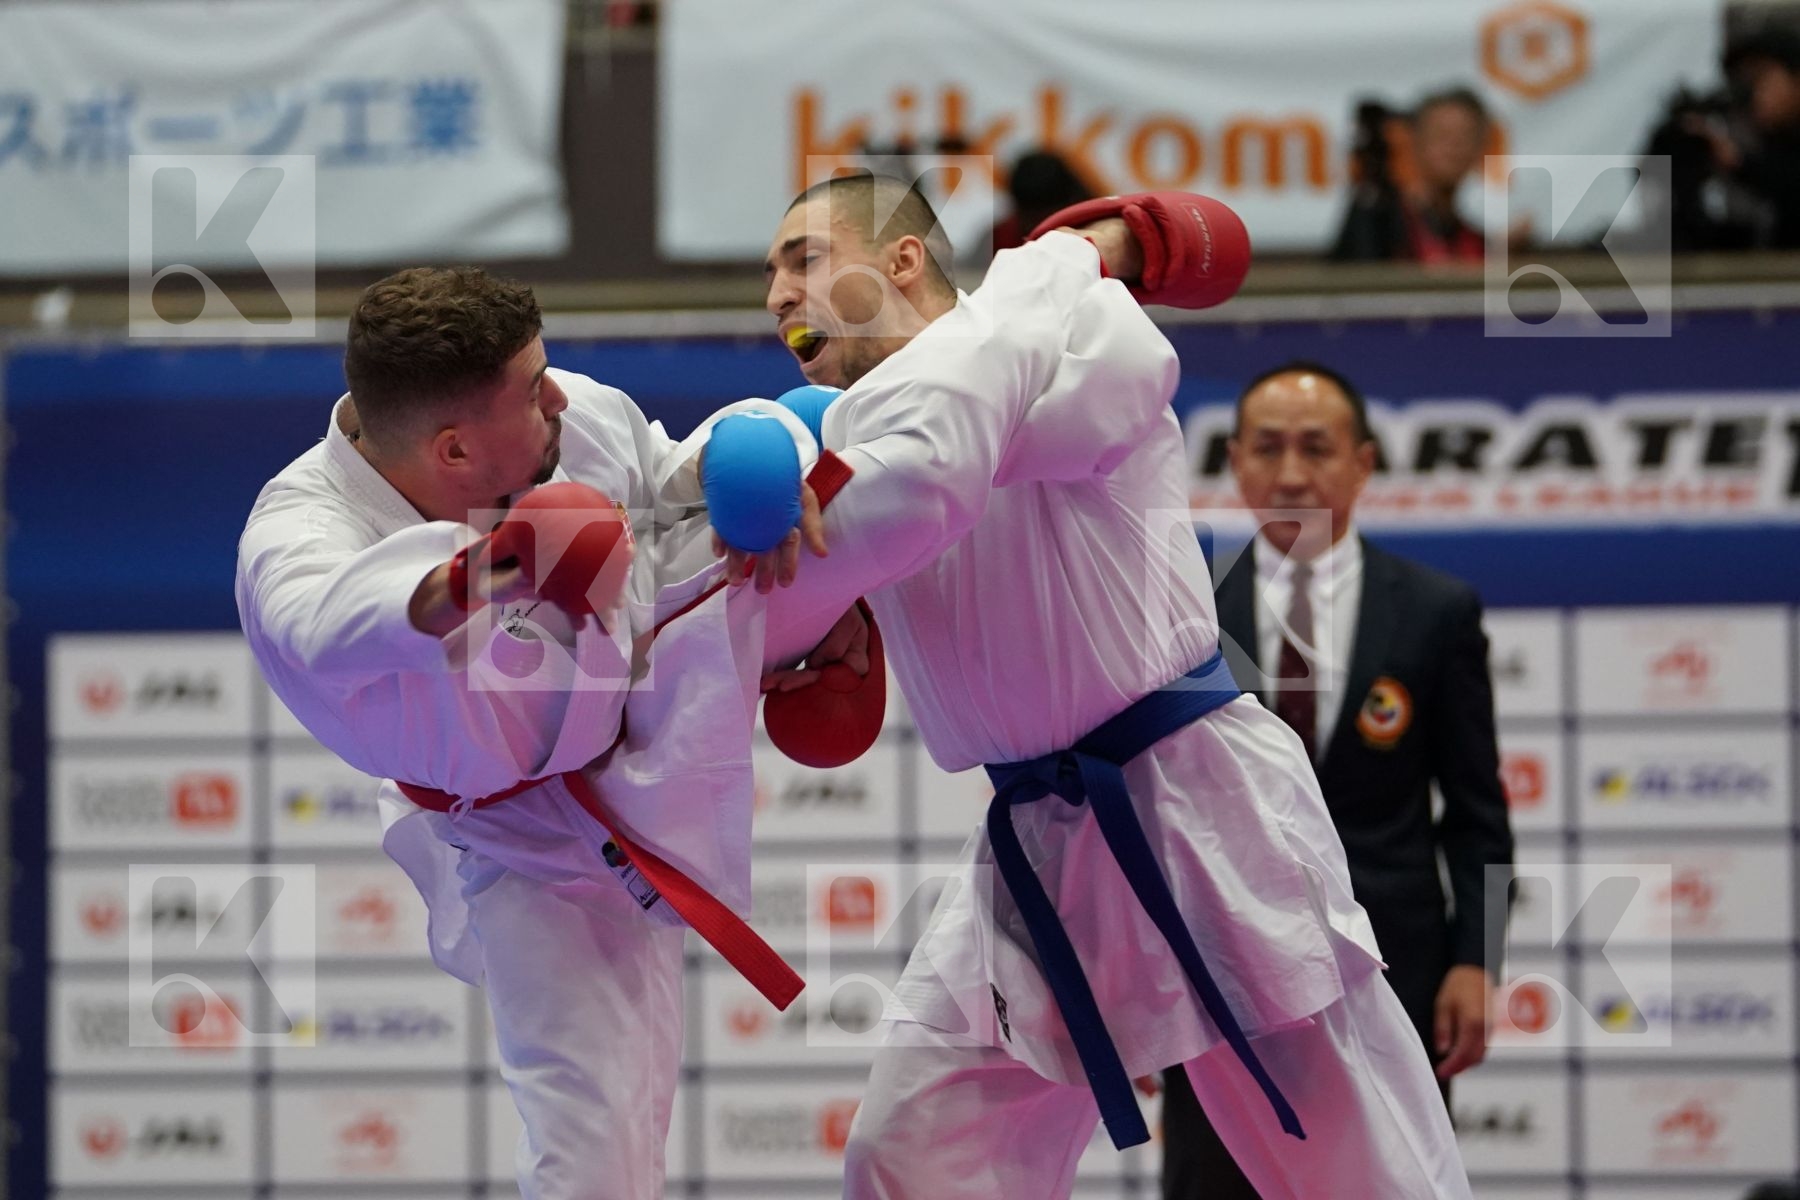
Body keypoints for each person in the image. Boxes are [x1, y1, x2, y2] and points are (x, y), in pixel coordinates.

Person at [731, 177, 1475, 1198]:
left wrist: (1078, 259)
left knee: (1356, 1166)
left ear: (902, 262)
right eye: (770, 274)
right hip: (1036, 838)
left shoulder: (1080, 333)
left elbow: (961, 426)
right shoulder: (849, 441)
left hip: (1194, 800)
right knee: (913, 1159)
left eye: (802, 259)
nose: (776, 294)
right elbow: (801, 589)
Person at [236, 266, 838, 1200]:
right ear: (454, 450)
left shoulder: (572, 419)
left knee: (823, 471)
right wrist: (492, 571)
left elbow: (667, 473)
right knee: (595, 1150)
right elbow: (329, 622)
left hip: (641, 703)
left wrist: (755, 447)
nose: (558, 395)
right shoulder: (300, 532)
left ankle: (839, 611)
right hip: (521, 838)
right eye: (532, 389)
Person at [1157, 361, 1515, 1200]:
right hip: (1217, 967)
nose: (1290, 472)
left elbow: (1478, 813)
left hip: (1395, 969)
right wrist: (1135, 985)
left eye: (1315, 448)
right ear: (1236, 462)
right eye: (1268, 448)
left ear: (1362, 462)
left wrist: (1480, 958)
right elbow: (1150, 806)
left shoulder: (1434, 610)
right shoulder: (1183, 607)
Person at [1331, 87, 1490, 264]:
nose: (1453, 147)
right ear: (1416, 141)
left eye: (1465, 136)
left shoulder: (1474, 241)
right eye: (1442, 135)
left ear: (1481, 148)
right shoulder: (1377, 218)